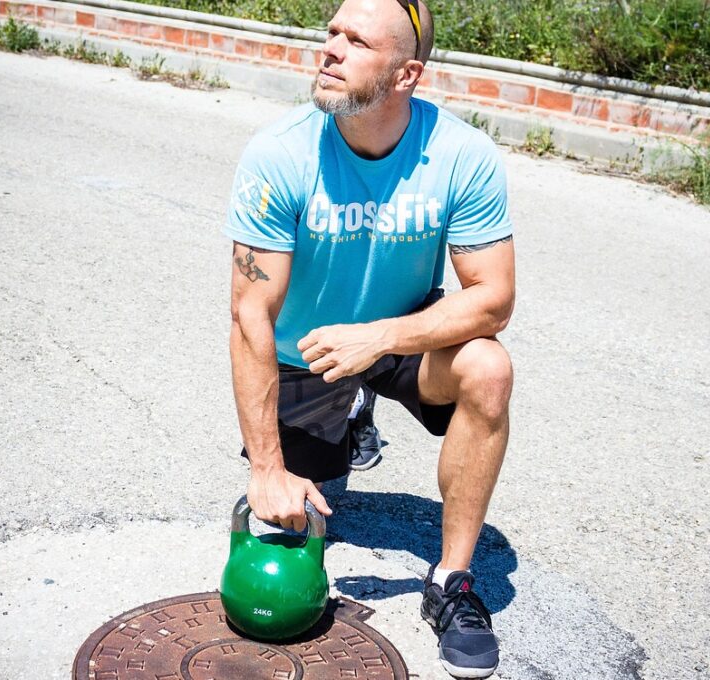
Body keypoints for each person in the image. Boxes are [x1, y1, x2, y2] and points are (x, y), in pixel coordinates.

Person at [225, 0, 514, 675]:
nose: (330, 48)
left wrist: (380, 337)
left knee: (489, 369)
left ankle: (451, 583)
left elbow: (494, 298)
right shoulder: (279, 154)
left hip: (399, 335)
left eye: (356, 41)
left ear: (406, 74)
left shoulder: (462, 154)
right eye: (331, 32)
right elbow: (250, 315)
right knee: (300, 514)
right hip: (308, 353)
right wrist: (266, 470)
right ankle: (347, 411)